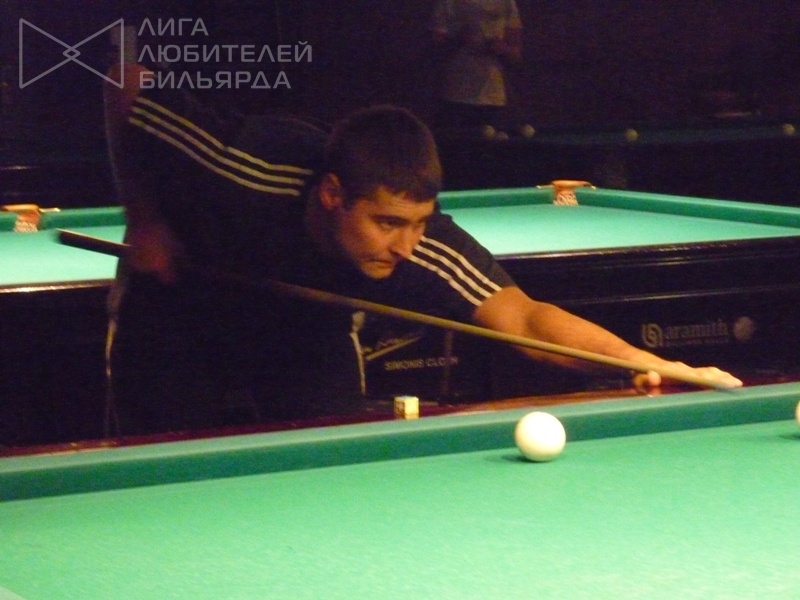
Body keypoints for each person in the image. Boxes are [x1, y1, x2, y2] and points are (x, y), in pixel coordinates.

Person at [104, 63, 742, 436]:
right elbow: (123, 82)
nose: (406, 246)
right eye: (387, 223)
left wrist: (640, 361)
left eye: (418, 223)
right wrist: (146, 218)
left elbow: (525, 318)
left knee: (338, 464)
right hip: (180, 303)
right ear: (332, 194)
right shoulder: (240, 162)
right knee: (157, 448)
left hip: (306, 327)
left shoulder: (420, 243)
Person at [430, 0, 523, 132]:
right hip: (455, 95)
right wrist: (458, 40)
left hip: (493, 97)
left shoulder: (506, 2)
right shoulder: (449, 2)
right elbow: (434, 51)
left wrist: (502, 49)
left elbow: (516, 55)